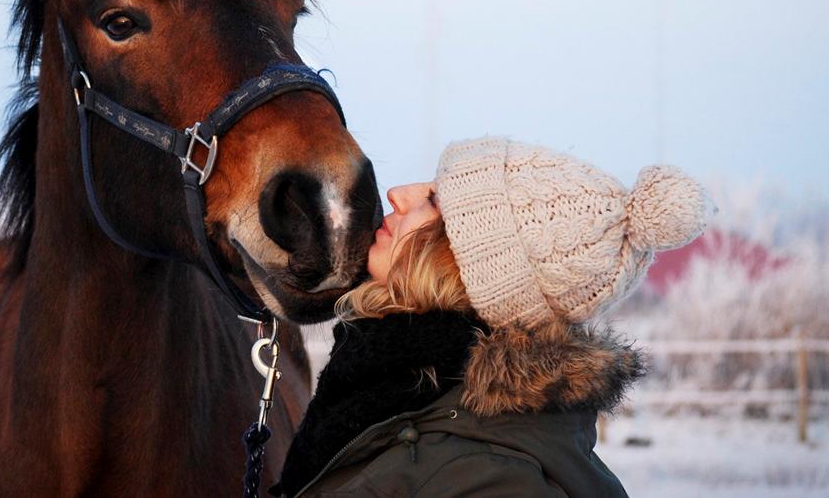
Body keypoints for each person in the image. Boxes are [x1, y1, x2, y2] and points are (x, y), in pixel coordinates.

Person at [272, 137, 710, 497]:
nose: (398, 194)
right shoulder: (389, 391)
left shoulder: (495, 481)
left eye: (435, 201)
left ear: (469, 267)